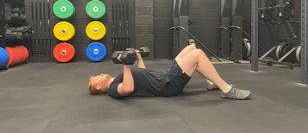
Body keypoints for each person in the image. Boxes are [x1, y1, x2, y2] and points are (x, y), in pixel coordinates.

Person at [88, 44, 251, 100]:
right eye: (97, 78)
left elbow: (143, 75)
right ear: (99, 87)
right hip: (167, 85)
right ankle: (226, 90)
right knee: (197, 55)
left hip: (164, 76)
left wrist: (137, 59)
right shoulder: (113, 89)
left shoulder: (117, 78)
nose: (100, 75)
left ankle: (211, 82)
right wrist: (125, 64)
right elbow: (128, 88)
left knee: (191, 48)